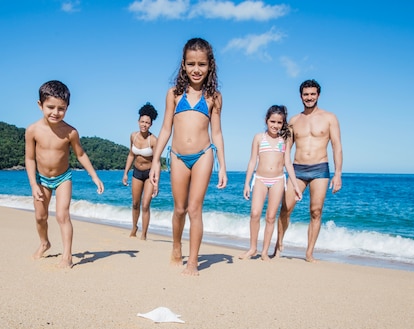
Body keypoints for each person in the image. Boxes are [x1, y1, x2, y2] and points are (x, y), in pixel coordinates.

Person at [150, 37, 228, 276]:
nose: (197, 69)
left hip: (204, 154)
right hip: (177, 156)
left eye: (202, 64)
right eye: (191, 64)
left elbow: (216, 132)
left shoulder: (214, 97)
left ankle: (193, 261)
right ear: (183, 64)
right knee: (180, 209)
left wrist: (222, 166)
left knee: (195, 209)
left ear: (210, 66)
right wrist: (155, 161)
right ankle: (176, 246)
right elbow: (165, 129)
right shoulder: (174, 94)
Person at [25, 80, 104, 269]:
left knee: (62, 215)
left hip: (63, 178)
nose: (55, 112)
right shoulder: (32, 131)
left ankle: (67, 255)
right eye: (50, 107)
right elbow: (29, 159)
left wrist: (94, 176)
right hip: (41, 180)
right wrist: (34, 185)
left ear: (67, 107)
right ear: (40, 105)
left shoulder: (70, 132)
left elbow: (81, 154)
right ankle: (45, 242)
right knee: (40, 217)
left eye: (61, 108)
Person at [275, 79, 342, 262]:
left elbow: (337, 146)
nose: (309, 97)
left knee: (316, 211)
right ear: (301, 96)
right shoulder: (294, 120)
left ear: (318, 95)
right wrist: (278, 171)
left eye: (312, 94)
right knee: (285, 209)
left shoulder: (330, 118)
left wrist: (338, 174)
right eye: (306, 94)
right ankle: (278, 247)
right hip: (297, 169)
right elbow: (286, 150)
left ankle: (309, 253)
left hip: (320, 168)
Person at [239, 105, 302, 261]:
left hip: (278, 180)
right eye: (272, 121)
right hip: (260, 179)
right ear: (266, 121)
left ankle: (265, 252)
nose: (275, 125)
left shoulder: (284, 140)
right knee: (255, 213)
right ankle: (253, 248)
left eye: (279, 122)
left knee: (271, 217)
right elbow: (252, 161)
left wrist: (295, 186)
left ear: (283, 123)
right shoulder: (259, 138)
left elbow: (288, 163)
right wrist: (247, 183)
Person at [122, 102, 159, 240]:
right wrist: (125, 173)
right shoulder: (133, 136)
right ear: (138, 122)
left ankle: (144, 233)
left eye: (147, 122)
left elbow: (157, 162)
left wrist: (157, 183)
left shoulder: (153, 140)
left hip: (149, 174)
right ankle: (134, 227)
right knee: (135, 203)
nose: (144, 124)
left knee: (145, 205)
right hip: (136, 172)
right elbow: (131, 154)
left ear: (151, 124)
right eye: (142, 121)